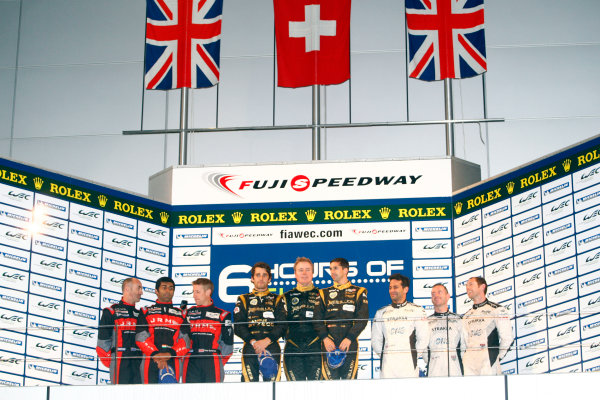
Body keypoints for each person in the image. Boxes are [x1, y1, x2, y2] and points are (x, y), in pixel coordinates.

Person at [313, 257, 368, 380]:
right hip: (329, 342)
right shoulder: (323, 293)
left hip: (349, 342)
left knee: (349, 383)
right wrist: (325, 339)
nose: (332, 271)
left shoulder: (359, 292)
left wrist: (349, 338)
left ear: (345, 270)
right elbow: (317, 320)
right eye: (330, 269)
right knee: (329, 384)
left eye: (335, 268)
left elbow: (362, 319)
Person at [233, 262, 283, 382]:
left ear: (269, 279)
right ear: (252, 278)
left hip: (271, 345)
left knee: (273, 389)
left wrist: (266, 341)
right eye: (258, 275)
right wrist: (254, 342)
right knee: (249, 388)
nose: (261, 278)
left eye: (264, 275)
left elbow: (282, 325)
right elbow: (239, 326)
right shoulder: (243, 299)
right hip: (251, 347)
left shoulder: (278, 299)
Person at [371, 274, 429, 378]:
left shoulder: (417, 310)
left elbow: (423, 339)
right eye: (390, 288)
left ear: (405, 289)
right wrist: (387, 355)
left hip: (408, 366)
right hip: (387, 367)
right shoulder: (381, 313)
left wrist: (412, 356)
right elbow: (375, 341)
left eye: (396, 287)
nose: (392, 290)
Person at [135, 277, 190, 383]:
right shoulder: (146, 311)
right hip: (150, 360)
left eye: (171, 288)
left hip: (173, 358)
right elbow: (140, 337)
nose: (167, 291)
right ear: (156, 291)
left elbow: (186, 341)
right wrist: (155, 355)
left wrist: (168, 355)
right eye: (164, 288)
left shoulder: (182, 314)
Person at [276, 257, 322, 380]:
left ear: (313, 273)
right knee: (295, 391)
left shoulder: (322, 295)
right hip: (293, 349)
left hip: (317, 349)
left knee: (318, 390)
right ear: (295, 274)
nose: (304, 273)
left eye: (308, 270)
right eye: (300, 270)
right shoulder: (285, 297)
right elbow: (279, 326)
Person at [182, 278, 233, 383]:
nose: (194, 295)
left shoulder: (222, 315)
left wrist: (218, 360)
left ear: (208, 292)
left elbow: (228, 344)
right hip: (191, 359)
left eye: (198, 292)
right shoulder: (188, 313)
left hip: (212, 359)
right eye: (194, 292)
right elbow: (181, 338)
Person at [462, 277, 514, 376]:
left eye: (471, 284)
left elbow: (507, 338)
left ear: (482, 287)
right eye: (466, 285)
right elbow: (465, 342)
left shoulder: (497, 309)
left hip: (488, 361)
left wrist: (496, 357)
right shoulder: (466, 316)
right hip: (469, 363)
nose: (467, 288)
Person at [96, 277, 143, 384]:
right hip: (120, 364)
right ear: (127, 289)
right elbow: (101, 345)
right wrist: (113, 362)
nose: (141, 292)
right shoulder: (111, 312)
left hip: (138, 364)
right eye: (139, 288)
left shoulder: (141, 315)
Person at [425, 283, 464, 377]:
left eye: (439, 292)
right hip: (434, 372)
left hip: (455, 371)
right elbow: (424, 351)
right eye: (433, 294)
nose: (436, 295)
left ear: (448, 296)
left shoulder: (458, 320)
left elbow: (465, 346)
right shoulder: (426, 322)